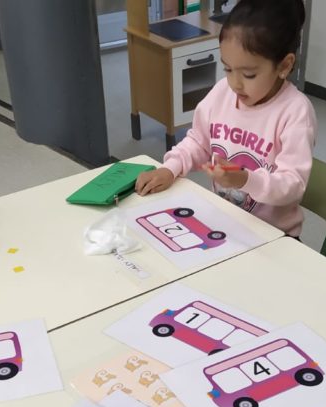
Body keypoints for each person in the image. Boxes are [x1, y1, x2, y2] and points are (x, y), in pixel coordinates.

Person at [134, 0, 315, 238]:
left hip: (274, 236)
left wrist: (245, 180)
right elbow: (198, 142)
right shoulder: (222, 93)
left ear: (284, 65)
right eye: (228, 69)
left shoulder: (295, 112)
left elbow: (293, 185)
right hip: (226, 223)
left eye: (249, 74)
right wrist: (170, 168)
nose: (235, 83)